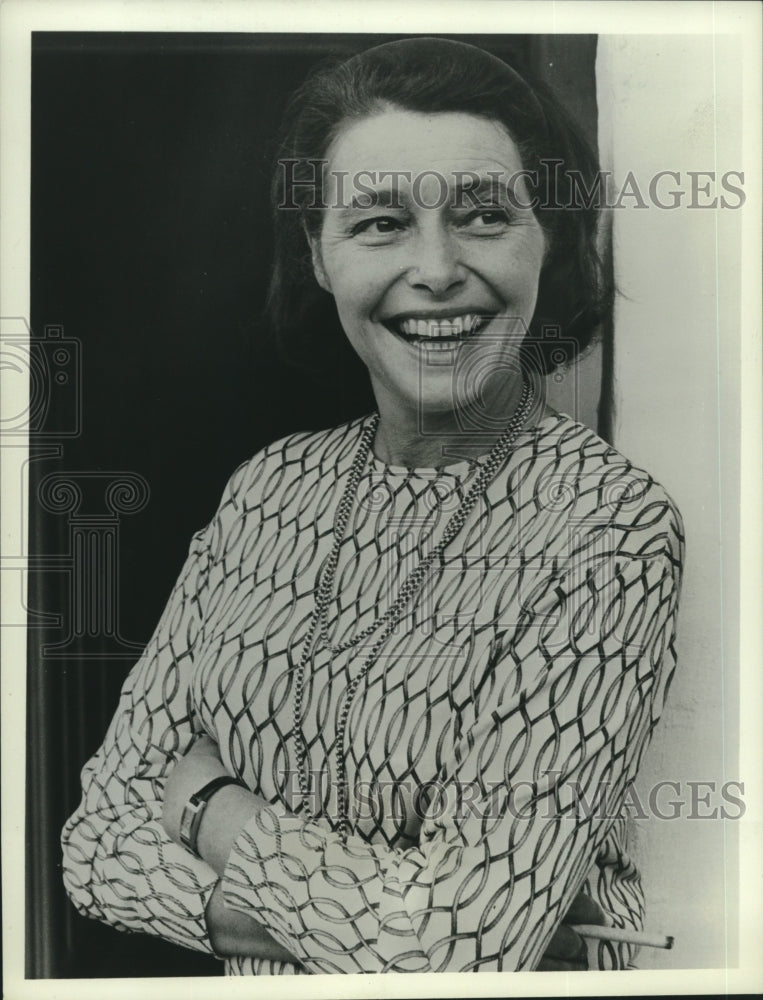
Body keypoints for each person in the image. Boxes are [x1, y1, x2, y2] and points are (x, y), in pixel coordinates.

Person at [61, 37, 684, 975]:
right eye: (380, 223)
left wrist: (208, 807)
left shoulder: (608, 527)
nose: (434, 270)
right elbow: (94, 850)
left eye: (482, 216)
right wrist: (417, 916)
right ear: (317, 255)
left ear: (547, 237)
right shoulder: (268, 490)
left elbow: (456, 954)